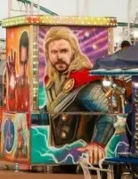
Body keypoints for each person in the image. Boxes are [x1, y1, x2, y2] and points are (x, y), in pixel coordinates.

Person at [43, 26, 115, 164]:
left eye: (64, 51)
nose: (58, 57)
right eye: (54, 52)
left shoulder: (84, 81)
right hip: (61, 154)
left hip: (81, 154)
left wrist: (98, 143)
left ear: (74, 52)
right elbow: (52, 112)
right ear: (48, 55)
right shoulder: (53, 81)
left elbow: (108, 114)